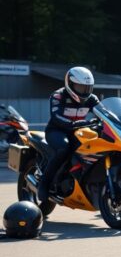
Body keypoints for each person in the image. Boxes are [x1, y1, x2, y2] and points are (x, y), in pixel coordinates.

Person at [38, 67, 100, 202]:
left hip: (79, 132)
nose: (84, 91)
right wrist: (80, 123)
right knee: (63, 149)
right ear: (70, 84)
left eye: (87, 87)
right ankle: (44, 183)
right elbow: (56, 117)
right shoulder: (58, 96)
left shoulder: (91, 99)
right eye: (80, 87)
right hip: (57, 131)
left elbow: (105, 113)